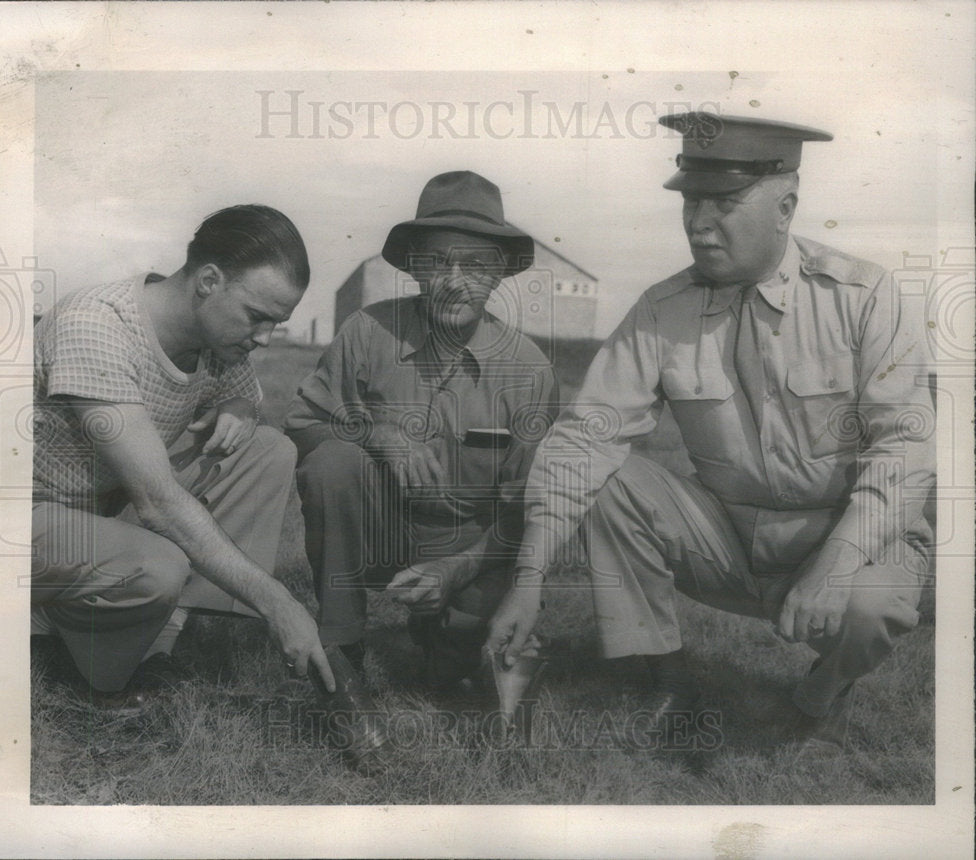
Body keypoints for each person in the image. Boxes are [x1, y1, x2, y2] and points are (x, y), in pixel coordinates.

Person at [487, 113, 935, 757]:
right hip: (726, 534)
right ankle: (667, 678)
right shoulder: (662, 309)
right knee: (607, 477)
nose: (699, 224)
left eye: (723, 203)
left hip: (842, 533)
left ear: (785, 206)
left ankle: (820, 699)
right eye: (692, 202)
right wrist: (528, 576)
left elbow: (904, 448)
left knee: (872, 605)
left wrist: (836, 565)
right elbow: (589, 436)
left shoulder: (863, 297)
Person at [32, 204, 335, 714]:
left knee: (267, 450)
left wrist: (239, 404)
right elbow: (156, 502)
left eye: (276, 323)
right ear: (209, 280)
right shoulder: (97, 323)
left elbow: (248, 395)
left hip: (100, 506)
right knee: (158, 562)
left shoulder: (214, 340)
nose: (264, 338)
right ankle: (70, 657)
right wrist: (278, 602)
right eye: (257, 317)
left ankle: (153, 648)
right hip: (20, 516)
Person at [284, 171, 558, 691]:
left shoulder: (530, 369)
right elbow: (304, 421)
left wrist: (455, 570)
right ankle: (342, 648)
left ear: (500, 273)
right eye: (437, 262)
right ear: (413, 268)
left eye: (476, 265)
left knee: (457, 676)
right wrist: (379, 432)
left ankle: (443, 632)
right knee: (333, 461)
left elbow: (530, 513)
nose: (456, 280)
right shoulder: (367, 331)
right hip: (378, 529)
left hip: (472, 548)